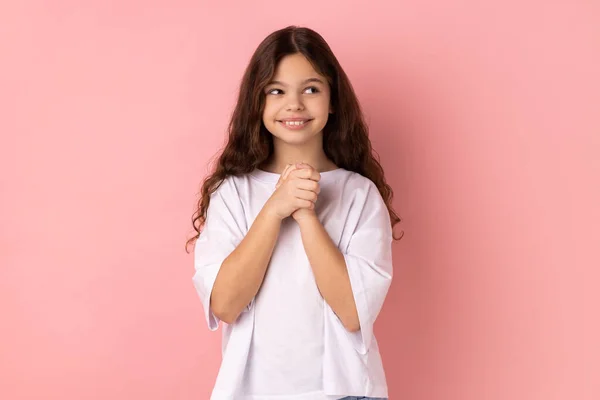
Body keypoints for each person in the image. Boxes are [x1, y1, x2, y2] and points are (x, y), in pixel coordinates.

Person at [186, 25, 403, 400]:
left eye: (311, 89)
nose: (295, 105)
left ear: (333, 99)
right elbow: (225, 304)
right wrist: (274, 210)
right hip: (252, 392)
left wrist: (305, 215)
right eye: (276, 91)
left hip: (346, 391)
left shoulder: (360, 195)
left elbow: (353, 312)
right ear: (258, 103)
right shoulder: (233, 194)